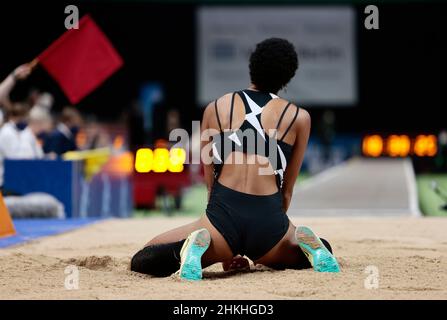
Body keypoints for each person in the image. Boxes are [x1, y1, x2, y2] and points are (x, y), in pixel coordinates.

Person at [130, 38, 340, 280]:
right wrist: (269, 237)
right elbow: (287, 192)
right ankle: (298, 245)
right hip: (269, 221)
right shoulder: (300, 117)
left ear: (251, 66)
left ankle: (193, 248)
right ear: (288, 77)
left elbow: (211, 186)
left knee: (144, 258)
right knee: (322, 247)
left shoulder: (216, 108)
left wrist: (223, 241)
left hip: (223, 218)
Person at [0, 102, 43, 187]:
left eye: (25, 118)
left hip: (20, 175)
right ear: (12, 117)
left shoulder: (25, 131)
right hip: (6, 178)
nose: (23, 121)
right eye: (21, 118)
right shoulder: (6, 132)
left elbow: (37, 153)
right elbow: (14, 158)